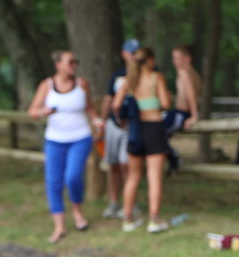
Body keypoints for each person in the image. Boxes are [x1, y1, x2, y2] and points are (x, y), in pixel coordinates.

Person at [28, 50, 101, 243]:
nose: (74, 65)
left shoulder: (82, 84)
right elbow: (32, 111)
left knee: (73, 176)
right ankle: (59, 226)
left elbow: (89, 107)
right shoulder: (47, 85)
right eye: (70, 62)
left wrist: (96, 120)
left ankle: (77, 210)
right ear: (58, 65)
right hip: (55, 140)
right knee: (54, 181)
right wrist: (43, 112)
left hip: (80, 138)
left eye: (76, 62)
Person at [112, 46, 172, 233]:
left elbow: (116, 104)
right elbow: (165, 103)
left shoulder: (129, 80)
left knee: (133, 176)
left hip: (135, 130)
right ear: (150, 60)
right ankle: (154, 219)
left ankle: (127, 219)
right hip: (154, 127)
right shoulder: (156, 77)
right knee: (154, 176)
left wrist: (125, 120)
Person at [99, 39, 140, 220]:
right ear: (124, 54)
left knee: (127, 165)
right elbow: (110, 99)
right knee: (113, 165)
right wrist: (102, 121)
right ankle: (114, 202)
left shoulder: (146, 75)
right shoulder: (117, 75)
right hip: (114, 126)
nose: (133, 56)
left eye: (136, 53)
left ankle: (129, 203)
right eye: (131, 53)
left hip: (132, 127)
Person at [162, 44, 202, 175]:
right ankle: (172, 158)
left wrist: (194, 115)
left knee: (157, 134)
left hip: (181, 113)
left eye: (178, 58)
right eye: (173, 58)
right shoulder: (192, 73)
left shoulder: (184, 72)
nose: (175, 61)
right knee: (155, 130)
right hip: (176, 112)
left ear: (187, 58)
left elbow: (191, 94)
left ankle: (173, 158)